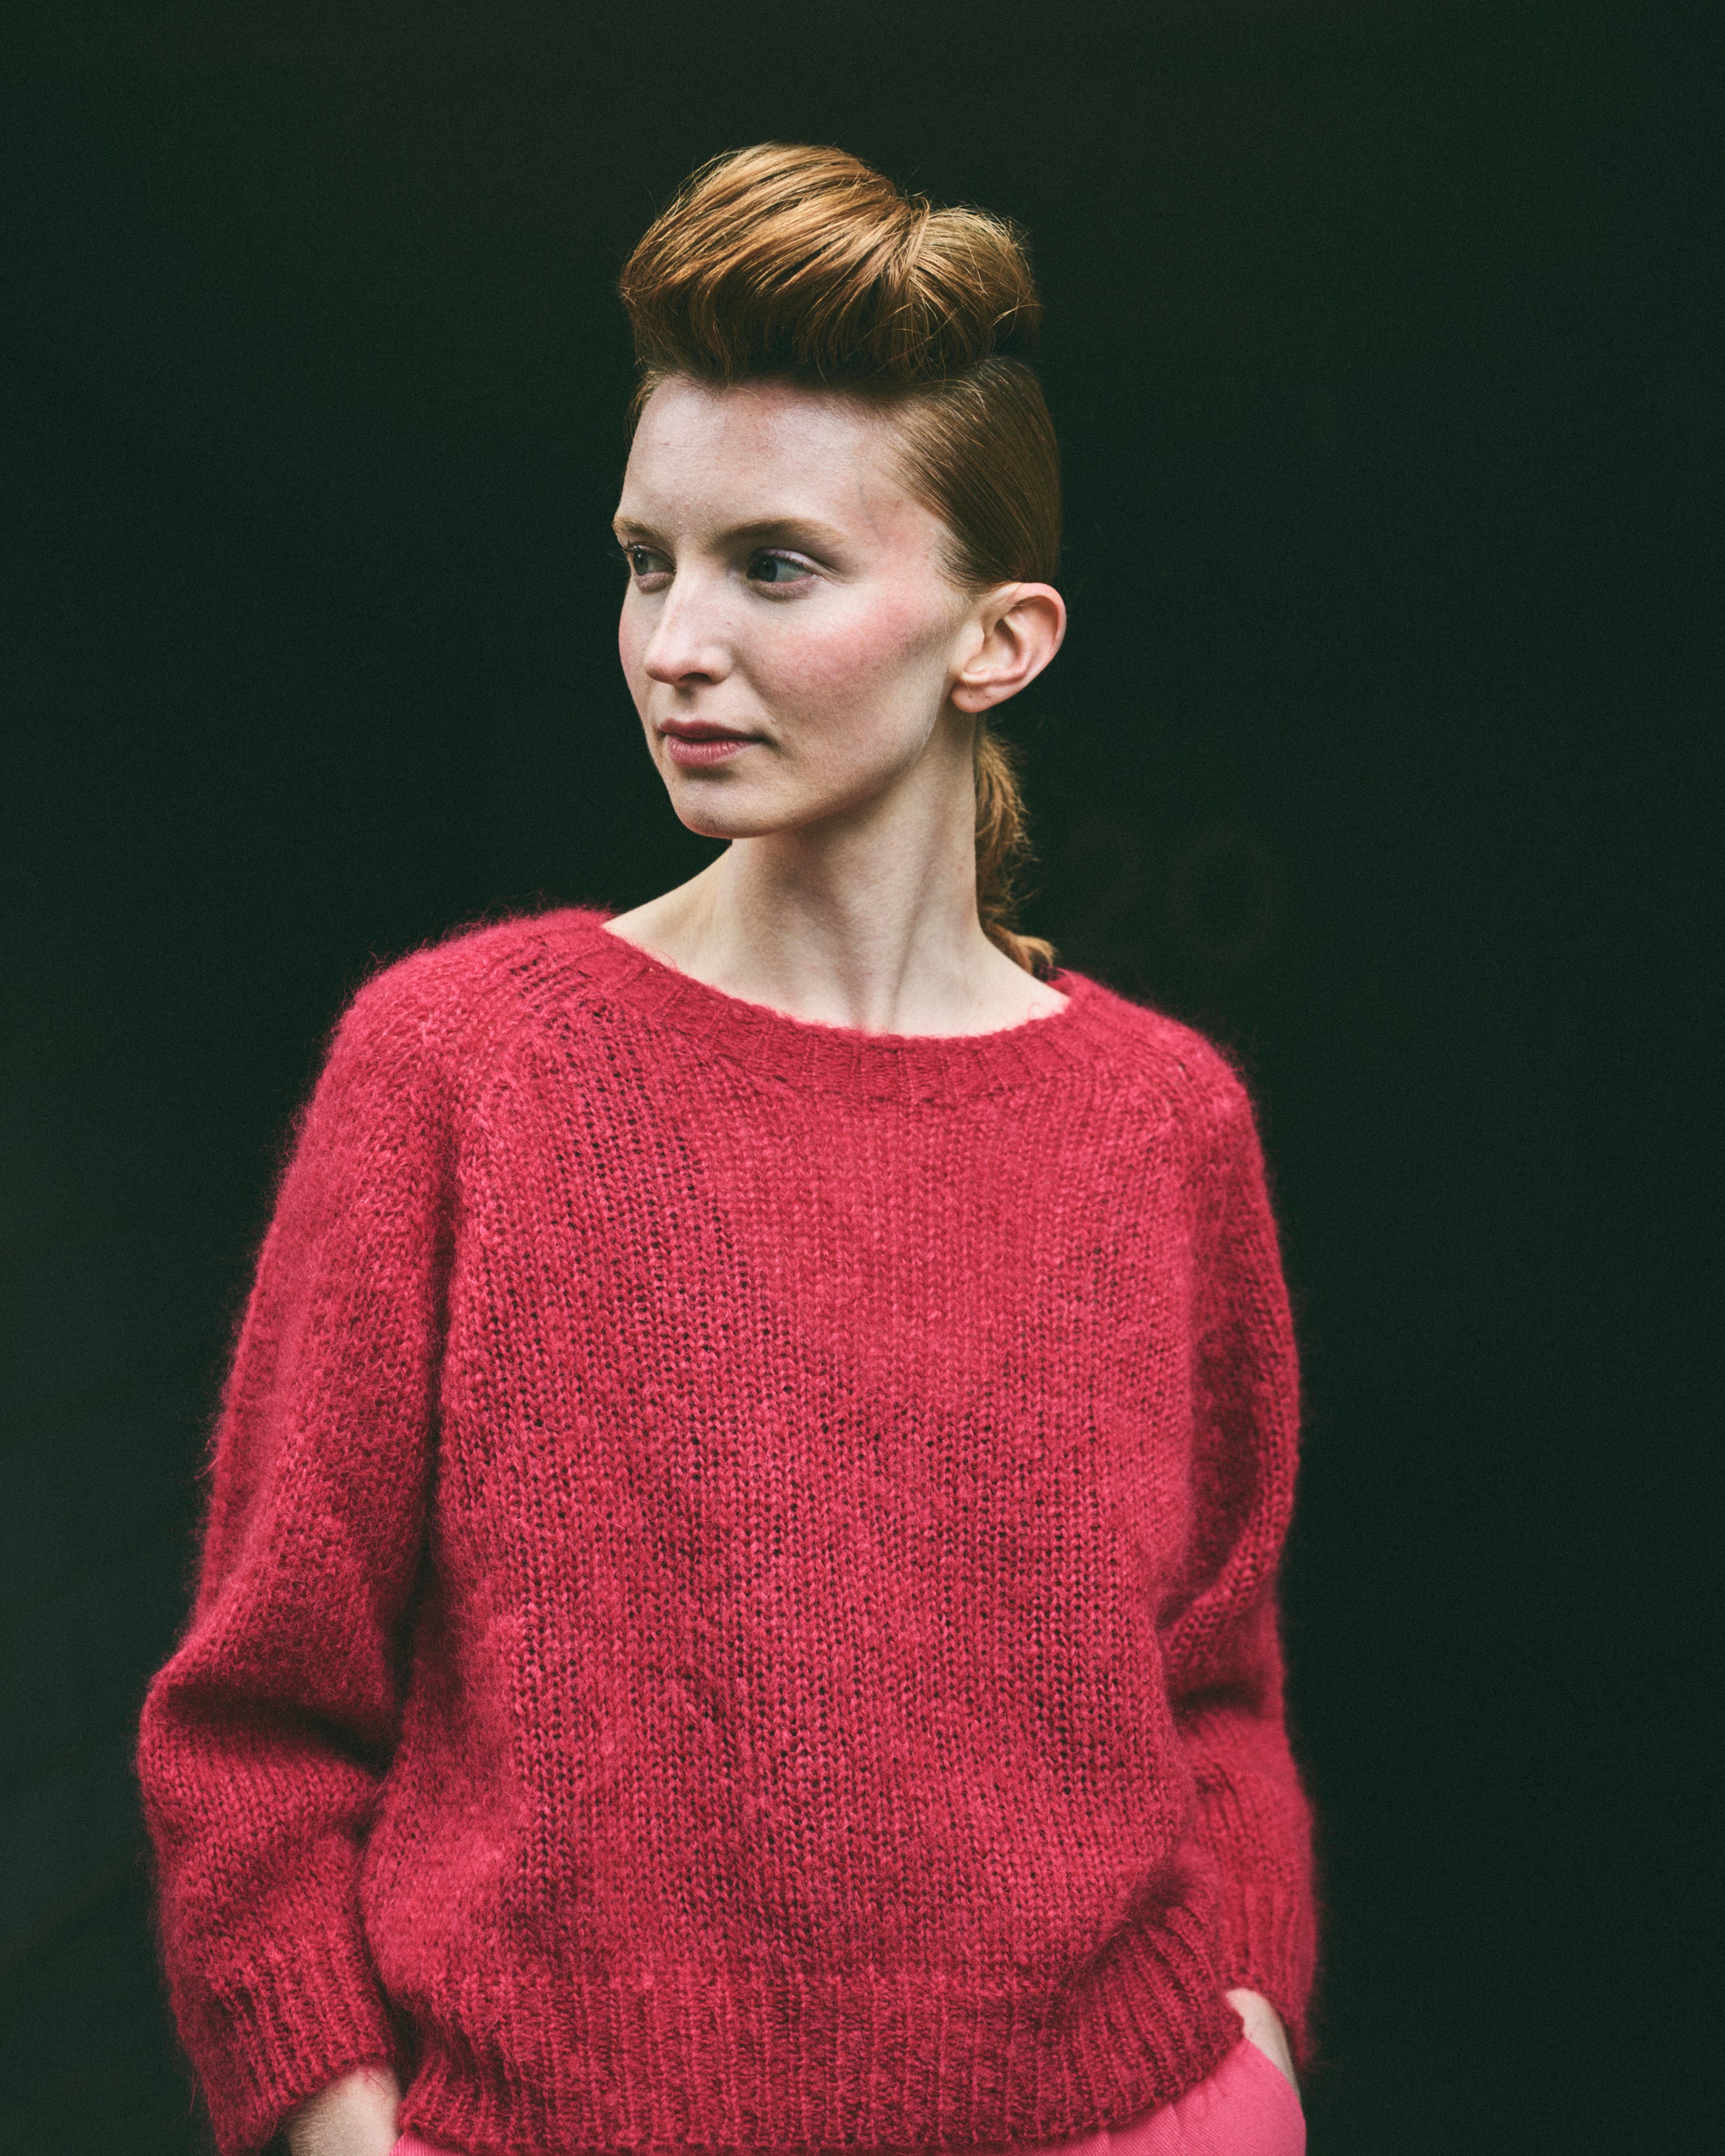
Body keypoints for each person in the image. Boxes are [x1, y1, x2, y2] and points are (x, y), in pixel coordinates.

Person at [134, 144, 1321, 2156]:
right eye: (643, 558)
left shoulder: (1161, 1118)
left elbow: (1213, 1686)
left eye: (773, 564)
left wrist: (1250, 2049)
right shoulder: (460, 1064)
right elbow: (261, 1717)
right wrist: (340, 2126)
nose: (675, 640)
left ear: (997, 638)